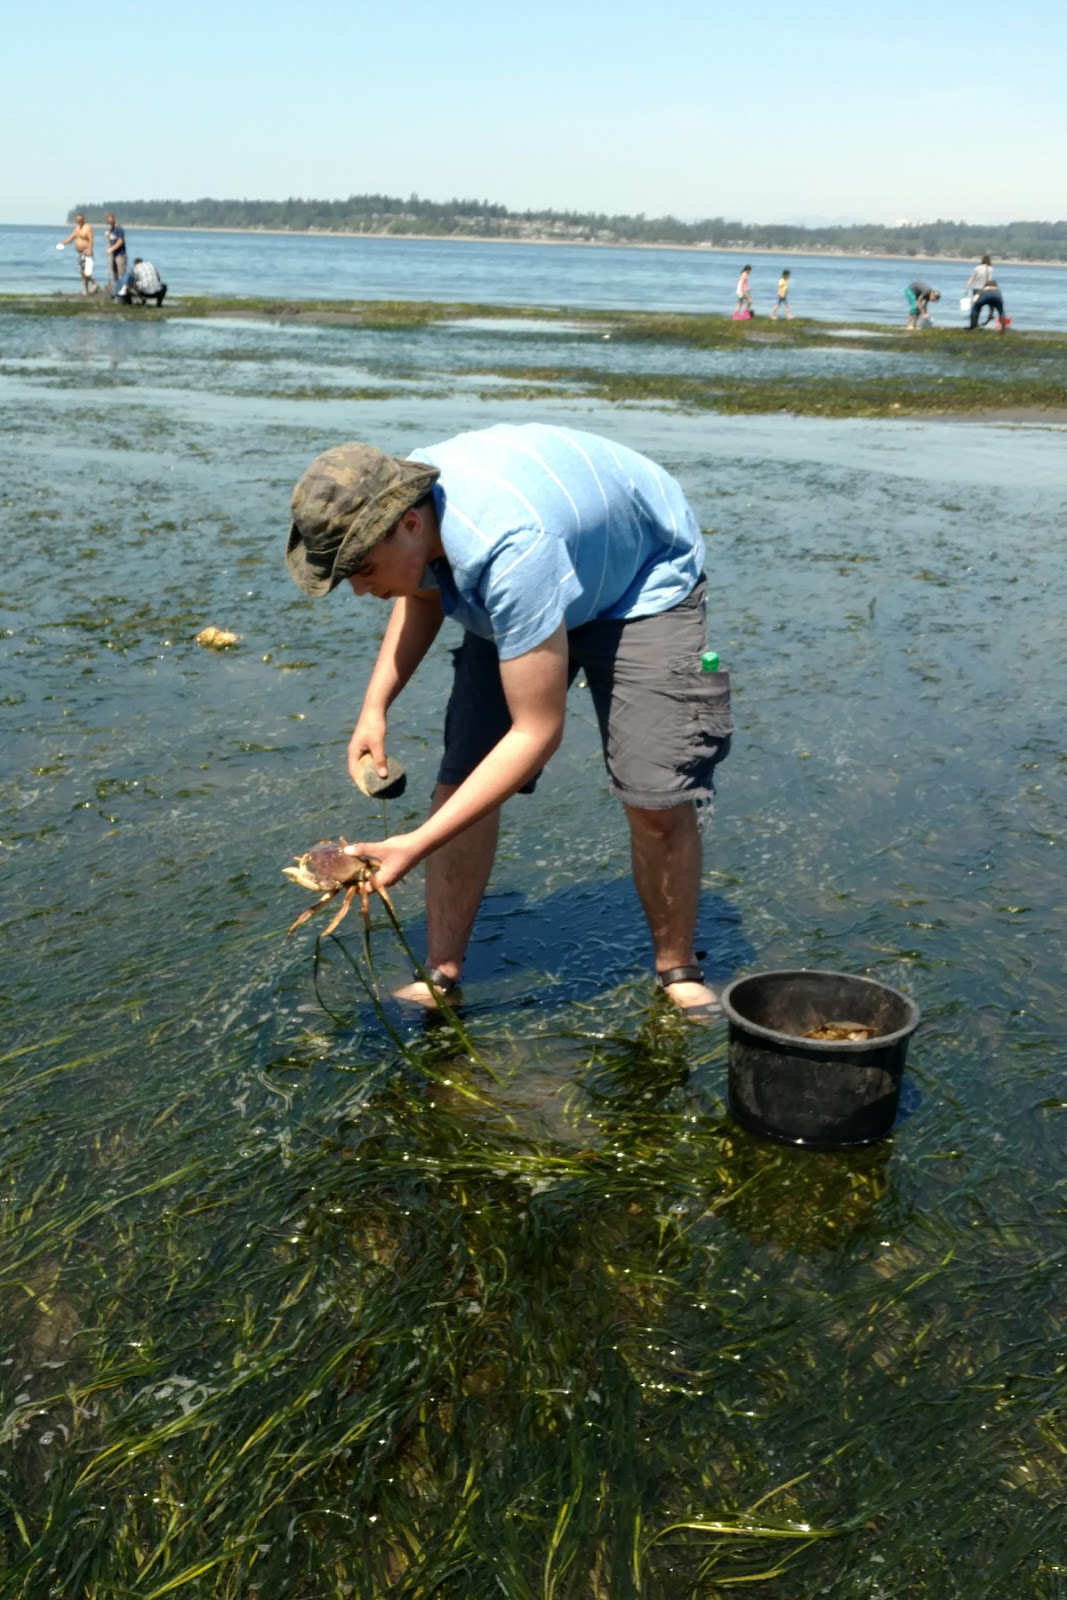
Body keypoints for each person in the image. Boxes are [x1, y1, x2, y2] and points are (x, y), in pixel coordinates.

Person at [284, 424, 734, 1016]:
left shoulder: (512, 550)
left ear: (411, 525)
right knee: (464, 776)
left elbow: (537, 732)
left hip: (640, 579)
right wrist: (375, 708)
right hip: (537, 559)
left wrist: (414, 844)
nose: (361, 590)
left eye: (363, 569)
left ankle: (677, 968)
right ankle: (440, 973)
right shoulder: (399, 500)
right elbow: (422, 590)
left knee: (655, 796)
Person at [58, 213, 99, 295]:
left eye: (80, 219)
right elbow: (71, 238)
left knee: (85, 271)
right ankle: (86, 290)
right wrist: (63, 242)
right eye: (78, 220)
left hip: (87, 252)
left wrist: (90, 249)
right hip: (80, 253)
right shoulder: (77, 229)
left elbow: (91, 240)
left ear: (83, 219)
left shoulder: (87, 228)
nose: (79, 221)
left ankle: (94, 284)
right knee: (82, 272)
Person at [104, 213, 127, 285]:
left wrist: (111, 249)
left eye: (111, 220)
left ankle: (124, 287)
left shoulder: (119, 229)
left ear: (114, 219)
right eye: (108, 221)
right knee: (115, 273)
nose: (109, 222)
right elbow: (111, 241)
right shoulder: (111, 230)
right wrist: (108, 236)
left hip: (120, 254)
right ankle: (117, 287)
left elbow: (120, 241)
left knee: (121, 273)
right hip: (113, 255)